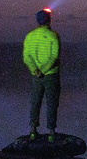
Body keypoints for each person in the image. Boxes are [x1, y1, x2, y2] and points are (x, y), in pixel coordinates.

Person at [23, 8, 61, 142]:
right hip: (51, 75)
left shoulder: (29, 36)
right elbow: (54, 57)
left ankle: (33, 131)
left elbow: (26, 57)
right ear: (48, 20)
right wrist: (44, 70)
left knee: (35, 102)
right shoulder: (53, 35)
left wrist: (36, 71)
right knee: (51, 103)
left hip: (36, 76)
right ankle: (51, 133)